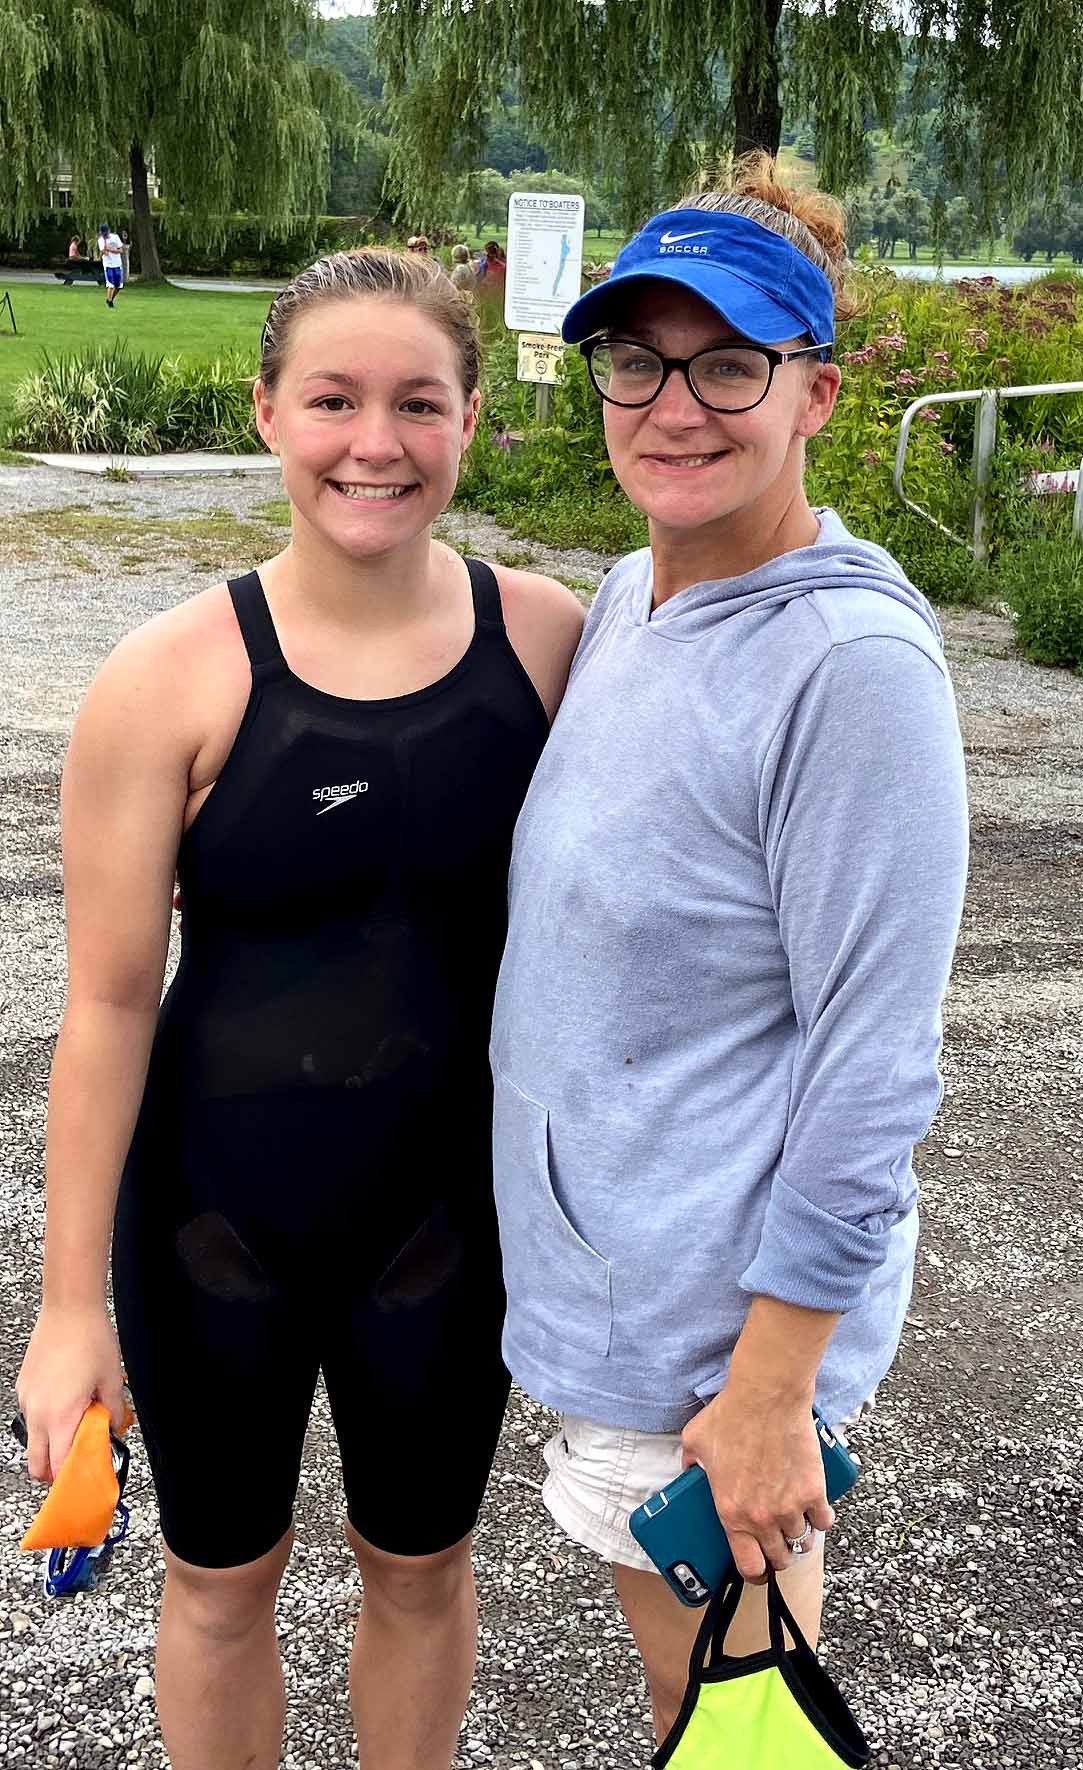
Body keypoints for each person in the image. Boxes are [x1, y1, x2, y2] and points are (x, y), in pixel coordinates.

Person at [16, 247, 584, 1770]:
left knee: (421, 1568)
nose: (373, 444)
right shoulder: (166, 680)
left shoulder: (551, 644)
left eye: (418, 402)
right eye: (332, 400)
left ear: (472, 419)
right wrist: (67, 1310)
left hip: (450, 1226)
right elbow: (106, 1006)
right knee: (218, 1586)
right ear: (267, 410)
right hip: (216, 1225)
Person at [489, 154, 969, 1746]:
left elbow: (871, 1067)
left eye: (727, 366)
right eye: (636, 361)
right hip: (624, 1289)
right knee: (701, 1710)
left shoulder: (847, 666)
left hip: (712, 1337)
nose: (672, 405)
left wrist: (771, 1384)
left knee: (733, 1724)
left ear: (814, 392)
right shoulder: (633, 590)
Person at [99, 223, 124, 307]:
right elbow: (104, 252)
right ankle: (110, 303)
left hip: (117, 264)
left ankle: (110, 299)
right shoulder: (101, 240)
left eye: (106, 232)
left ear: (109, 231)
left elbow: (120, 250)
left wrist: (110, 249)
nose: (105, 234)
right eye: (103, 233)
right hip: (108, 265)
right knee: (111, 285)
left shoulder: (115, 237)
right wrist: (105, 249)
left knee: (119, 286)